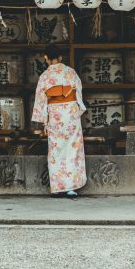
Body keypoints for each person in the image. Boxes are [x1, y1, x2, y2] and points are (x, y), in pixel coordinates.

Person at [31, 44, 87, 198]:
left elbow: (41, 100)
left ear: (46, 58)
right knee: (72, 149)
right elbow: (78, 94)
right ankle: (71, 187)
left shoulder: (44, 77)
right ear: (61, 57)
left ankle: (57, 188)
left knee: (56, 150)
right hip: (70, 115)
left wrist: (43, 119)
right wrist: (77, 110)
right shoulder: (71, 73)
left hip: (54, 115)